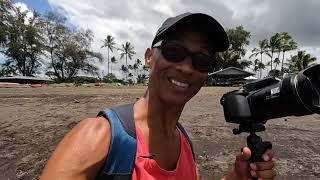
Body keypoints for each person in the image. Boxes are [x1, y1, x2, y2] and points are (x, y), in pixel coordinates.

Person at [40, 12, 276, 180]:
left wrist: (237, 177)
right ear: (149, 57)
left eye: (201, 60)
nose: (186, 67)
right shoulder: (98, 137)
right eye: (174, 52)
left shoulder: (184, 142)